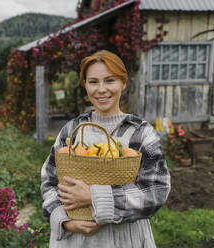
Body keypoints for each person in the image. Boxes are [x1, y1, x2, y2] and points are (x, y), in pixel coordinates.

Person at [40, 50, 170, 247]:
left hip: (124, 238)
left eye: (109, 80)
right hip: (76, 240)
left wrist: (93, 196)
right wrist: (65, 221)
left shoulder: (140, 133)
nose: (101, 89)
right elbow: (49, 181)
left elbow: (156, 190)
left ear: (123, 83)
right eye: (93, 82)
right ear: (85, 85)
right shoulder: (72, 131)